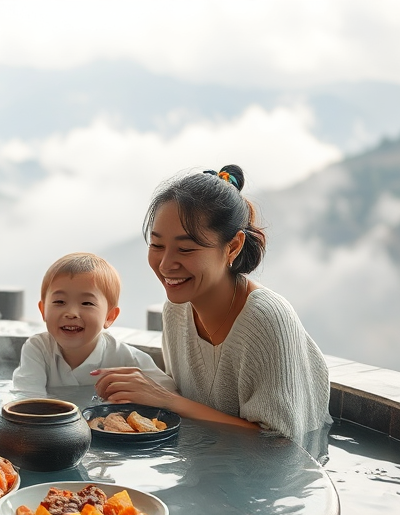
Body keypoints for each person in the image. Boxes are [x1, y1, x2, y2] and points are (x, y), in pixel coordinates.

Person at [95, 165, 331, 440]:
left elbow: (279, 445)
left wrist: (166, 400)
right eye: (157, 245)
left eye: (186, 249)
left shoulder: (266, 319)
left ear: (232, 247)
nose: (166, 264)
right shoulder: (176, 310)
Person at [12, 252, 175, 406]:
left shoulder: (123, 358)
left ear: (109, 316)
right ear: (43, 311)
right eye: (59, 302)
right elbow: (27, 400)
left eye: (87, 303)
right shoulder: (38, 349)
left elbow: (168, 393)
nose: (71, 313)